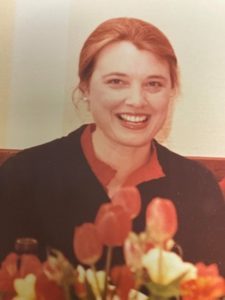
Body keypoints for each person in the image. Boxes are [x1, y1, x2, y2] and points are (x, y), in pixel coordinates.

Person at [0, 17, 225, 275]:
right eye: (117, 81)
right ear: (86, 86)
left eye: (153, 84)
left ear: (171, 91)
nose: (137, 100)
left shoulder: (198, 187)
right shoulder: (22, 177)